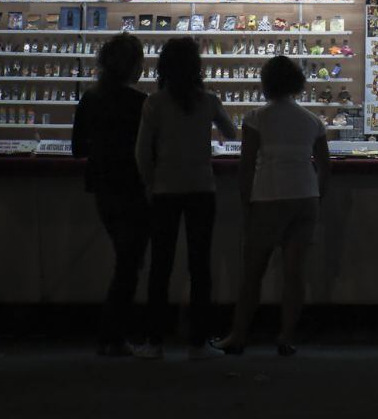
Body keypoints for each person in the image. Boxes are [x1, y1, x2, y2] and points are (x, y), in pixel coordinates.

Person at [214, 56, 331, 356]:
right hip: (305, 197)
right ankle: (286, 336)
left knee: (253, 271)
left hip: (269, 195)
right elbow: (325, 167)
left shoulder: (256, 118)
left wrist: (246, 204)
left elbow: (247, 165)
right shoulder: (312, 120)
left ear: (266, 83)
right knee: (295, 273)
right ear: (297, 84)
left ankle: (238, 336)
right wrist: (317, 196)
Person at [134, 36, 237, 360]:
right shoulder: (208, 100)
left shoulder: (154, 103)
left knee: (160, 267)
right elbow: (232, 133)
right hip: (201, 188)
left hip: (165, 190)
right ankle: (198, 342)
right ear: (197, 67)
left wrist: (150, 183)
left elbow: (141, 152)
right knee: (200, 266)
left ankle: (154, 342)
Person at [71, 33, 148, 357]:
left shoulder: (90, 98)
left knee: (125, 261)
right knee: (129, 264)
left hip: (103, 186)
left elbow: (78, 150)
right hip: (134, 188)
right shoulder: (141, 103)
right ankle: (113, 335)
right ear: (133, 67)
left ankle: (112, 334)